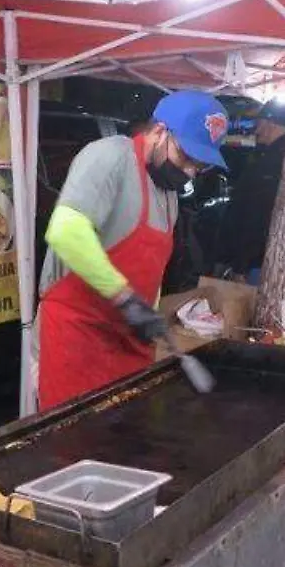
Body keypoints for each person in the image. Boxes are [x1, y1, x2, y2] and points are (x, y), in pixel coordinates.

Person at [36, 90, 229, 410]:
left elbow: (149, 268)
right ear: (157, 132)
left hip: (128, 342)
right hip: (77, 337)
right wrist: (125, 298)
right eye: (186, 157)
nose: (191, 172)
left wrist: (149, 314)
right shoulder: (110, 156)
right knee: (71, 445)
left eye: (200, 166)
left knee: (124, 440)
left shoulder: (168, 194)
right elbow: (65, 231)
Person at [218, 101, 285, 285]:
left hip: (257, 263)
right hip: (270, 259)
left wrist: (240, 265)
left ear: (270, 123)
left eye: (257, 124)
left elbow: (255, 217)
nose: (255, 130)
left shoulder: (272, 163)